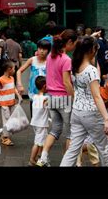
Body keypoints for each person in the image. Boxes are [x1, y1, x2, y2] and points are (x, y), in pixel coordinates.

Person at [60, 36, 108, 167]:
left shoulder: (75, 67)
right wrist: (107, 119)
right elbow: (96, 96)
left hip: (77, 112)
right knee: (104, 149)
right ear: (91, 50)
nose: (97, 51)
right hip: (91, 113)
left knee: (72, 150)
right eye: (96, 49)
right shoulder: (91, 70)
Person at [36, 29, 77, 167]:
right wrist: (74, 98)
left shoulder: (49, 57)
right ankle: (67, 163)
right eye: (74, 43)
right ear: (69, 42)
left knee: (55, 130)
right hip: (64, 99)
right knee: (71, 132)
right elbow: (66, 82)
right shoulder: (66, 59)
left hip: (51, 97)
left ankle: (43, 158)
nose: (75, 46)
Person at [16, 39, 51, 116]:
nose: (41, 51)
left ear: (48, 51)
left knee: (43, 116)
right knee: (34, 116)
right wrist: (19, 84)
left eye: (44, 49)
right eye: (40, 48)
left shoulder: (50, 61)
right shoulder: (32, 60)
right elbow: (19, 71)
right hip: (33, 92)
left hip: (46, 92)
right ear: (37, 49)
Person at [29, 76, 49, 166]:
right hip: (41, 124)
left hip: (35, 123)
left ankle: (39, 157)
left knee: (41, 141)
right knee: (37, 143)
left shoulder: (35, 97)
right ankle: (32, 160)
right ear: (45, 86)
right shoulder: (44, 99)